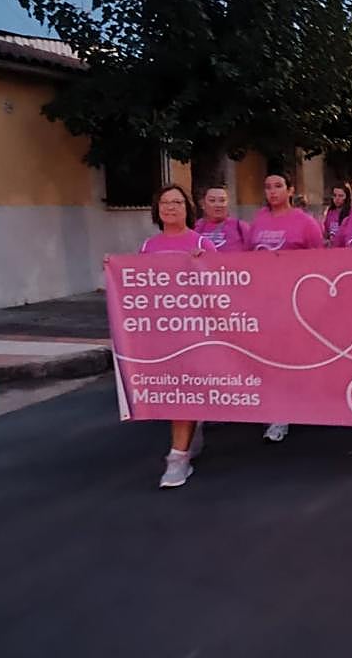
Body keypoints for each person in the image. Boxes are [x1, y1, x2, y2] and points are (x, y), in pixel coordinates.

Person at [133, 185, 218, 488]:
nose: (170, 207)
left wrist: (202, 264)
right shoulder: (148, 246)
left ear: (187, 208)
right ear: (157, 210)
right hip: (162, 332)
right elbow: (137, 286)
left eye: (177, 202)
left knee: (186, 389)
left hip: (195, 331)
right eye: (165, 203)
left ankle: (178, 458)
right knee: (175, 391)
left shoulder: (202, 243)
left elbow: (223, 286)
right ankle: (191, 431)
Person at [249, 173, 325, 443]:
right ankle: (278, 411)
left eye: (278, 186)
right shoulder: (258, 221)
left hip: (295, 300)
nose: (272, 191)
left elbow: (319, 262)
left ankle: (291, 409)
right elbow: (246, 259)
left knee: (292, 357)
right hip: (264, 300)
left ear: (290, 190)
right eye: (268, 187)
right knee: (269, 356)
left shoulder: (305, 223)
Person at [195, 185, 249, 252]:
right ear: (202, 204)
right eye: (212, 200)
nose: (218, 205)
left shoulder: (240, 227)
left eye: (222, 200)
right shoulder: (196, 227)